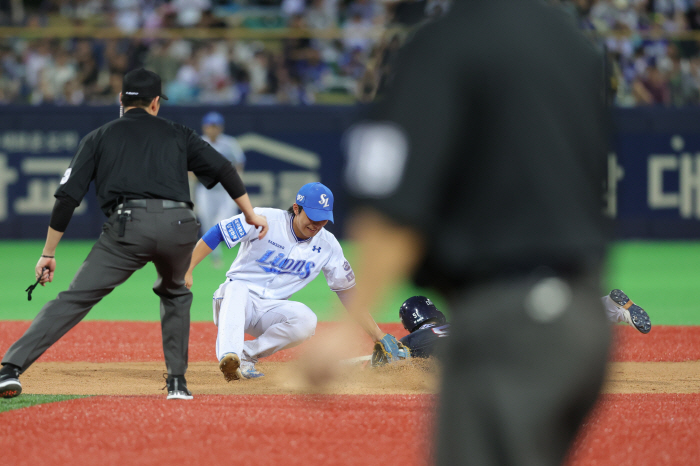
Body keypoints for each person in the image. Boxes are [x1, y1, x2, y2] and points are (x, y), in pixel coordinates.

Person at [340, 1, 614, 465]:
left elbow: (394, 193)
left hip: (507, 318)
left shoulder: (445, 43)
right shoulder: (575, 45)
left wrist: (346, 327)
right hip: (583, 321)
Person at [0, 68, 268, 401]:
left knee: (75, 298)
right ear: (156, 102)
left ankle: (10, 369)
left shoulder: (99, 136)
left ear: (121, 101)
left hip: (129, 227)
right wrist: (250, 212)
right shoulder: (178, 133)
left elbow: (67, 196)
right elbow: (226, 168)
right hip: (179, 226)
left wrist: (49, 253)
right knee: (175, 294)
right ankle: (177, 384)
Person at [185, 182, 406, 380]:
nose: (317, 223)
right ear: (297, 208)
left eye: (323, 218)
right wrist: (188, 268)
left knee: (307, 320)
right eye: (313, 216)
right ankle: (228, 354)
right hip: (232, 301)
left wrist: (377, 334)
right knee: (237, 287)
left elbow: (346, 292)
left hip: (269, 310)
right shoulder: (264, 219)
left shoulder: (328, 246)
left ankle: (243, 357)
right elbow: (218, 233)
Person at [195, 111, 246, 267]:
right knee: (207, 222)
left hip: (225, 191)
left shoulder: (229, 143)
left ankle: (239, 254)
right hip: (206, 190)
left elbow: (239, 165)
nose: (212, 129)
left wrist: (236, 185)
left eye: (215, 126)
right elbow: (189, 169)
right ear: (204, 127)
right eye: (210, 126)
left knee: (223, 222)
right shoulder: (197, 143)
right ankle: (215, 257)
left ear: (221, 128)